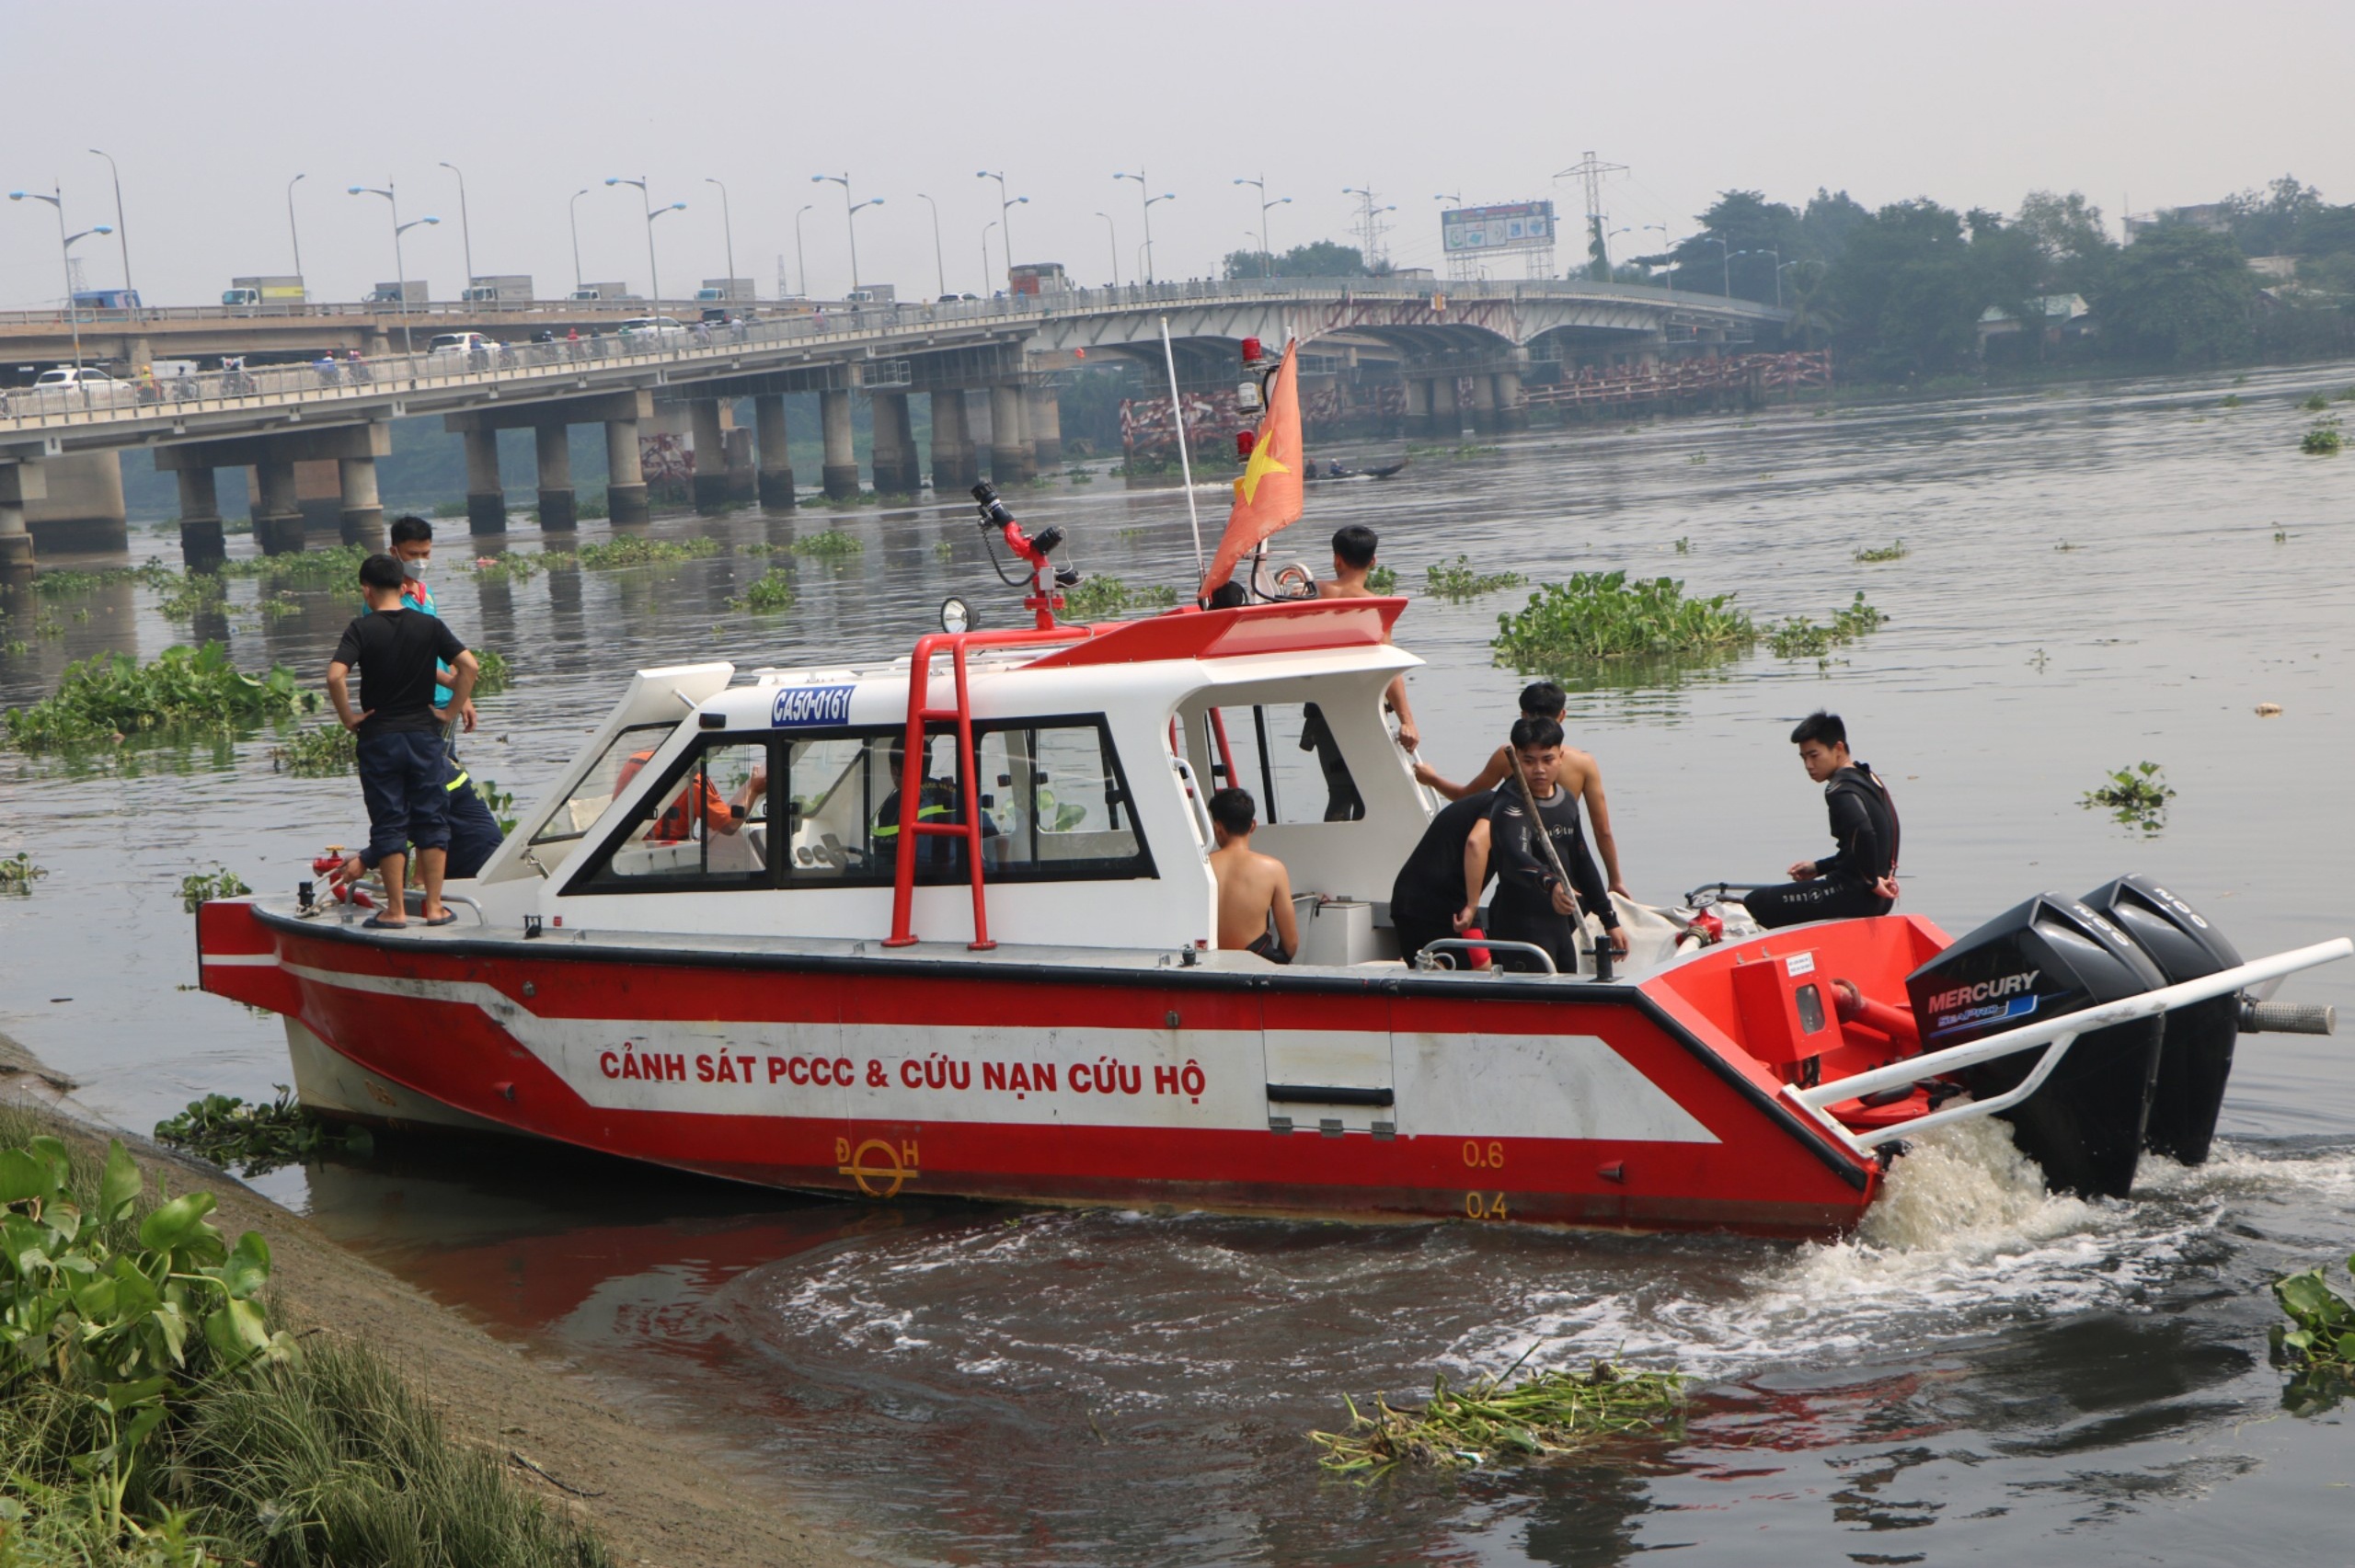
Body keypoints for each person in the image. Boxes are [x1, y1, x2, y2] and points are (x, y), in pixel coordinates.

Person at [328, 554, 479, 930]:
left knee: (389, 822)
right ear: (404, 586)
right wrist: (449, 712)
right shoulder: (428, 625)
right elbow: (470, 667)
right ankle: (433, 908)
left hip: (379, 737)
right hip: (423, 736)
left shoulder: (361, 629)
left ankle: (395, 912)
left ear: (366, 589)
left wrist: (350, 718)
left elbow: (335, 676)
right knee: (431, 817)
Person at [1416, 681, 1629, 895]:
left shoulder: (1509, 756)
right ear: (1562, 715)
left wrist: (1431, 779)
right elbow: (1603, 831)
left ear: (1523, 717)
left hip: (1522, 867)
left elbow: (1465, 796)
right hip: (1567, 864)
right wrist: (1615, 880)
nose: (1539, 769)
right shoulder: (1585, 763)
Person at [1486, 716, 1626, 973]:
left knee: (1565, 996)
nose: (1539, 769)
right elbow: (1517, 856)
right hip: (1521, 924)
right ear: (1515, 758)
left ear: (1560, 757)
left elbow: (1582, 860)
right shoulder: (1510, 805)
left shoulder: (1566, 800)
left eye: (1547, 759)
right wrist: (1551, 883)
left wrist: (1609, 919)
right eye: (1528, 761)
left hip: (1560, 924)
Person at [1745, 711, 1901, 930]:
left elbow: (1863, 830)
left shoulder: (1839, 789)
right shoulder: (1869, 777)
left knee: (1757, 902)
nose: (1808, 765)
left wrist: (1871, 882)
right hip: (1882, 899)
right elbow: (1885, 830)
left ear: (1838, 748)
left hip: (1855, 894)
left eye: (1814, 755)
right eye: (1803, 758)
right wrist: (1819, 867)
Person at [1315, 524, 1419, 751]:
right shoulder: (1377, 608)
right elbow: (1389, 666)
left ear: (1337, 560)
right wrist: (1407, 721)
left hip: (1321, 705)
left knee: (1338, 786)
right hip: (1363, 706)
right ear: (1373, 560)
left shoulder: (1311, 592)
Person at [1388, 786, 1495, 967]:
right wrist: (1473, 904)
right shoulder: (1505, 805)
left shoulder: (1478, 802)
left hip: (1405, 899)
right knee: (1481, 967)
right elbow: (1476, 842)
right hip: (1446, 903)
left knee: (1428, 973)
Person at [1208, 787, 1298, 963]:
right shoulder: (1273, 869)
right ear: (1253, 825)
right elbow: (1291, 944)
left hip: (1209, 969)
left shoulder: (1202, 867)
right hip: (1253, 972)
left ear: (1217, 828)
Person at [615, 747, 766, 844]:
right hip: (669, 855)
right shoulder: (694, 782)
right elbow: (730, 825)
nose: (720, 751)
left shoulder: (635, 761)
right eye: (719, 748)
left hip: (628, 845)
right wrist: (753, 790)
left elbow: (616, 805)